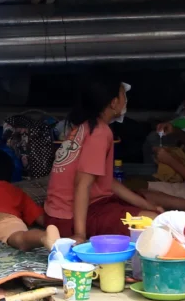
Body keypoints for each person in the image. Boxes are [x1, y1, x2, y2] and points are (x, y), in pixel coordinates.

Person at [46, 75, 161, 242]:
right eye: (123, 96)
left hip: (61, 214)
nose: (126, 100)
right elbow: (82, 184)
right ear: (114, 103)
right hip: (73, 218)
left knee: (147, 203)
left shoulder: (84, 127)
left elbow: (107, 181)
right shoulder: (99, 132)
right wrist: (79, 234)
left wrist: (149, 206)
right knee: (158, 225)